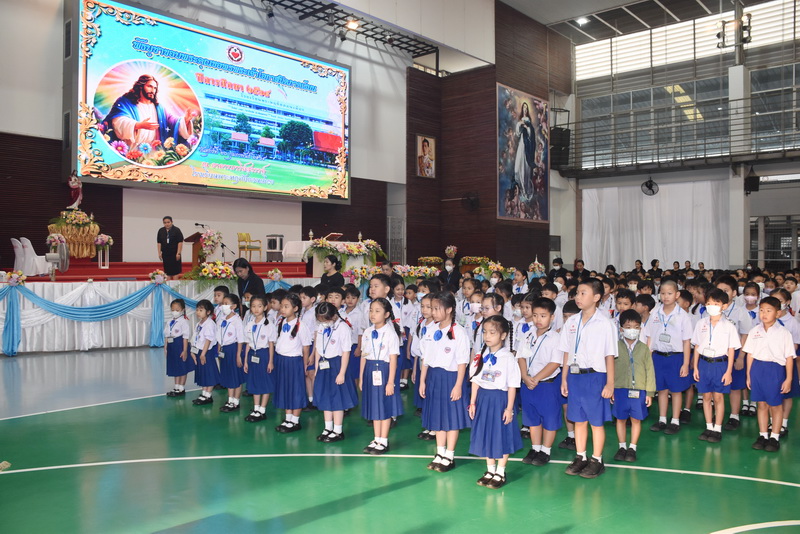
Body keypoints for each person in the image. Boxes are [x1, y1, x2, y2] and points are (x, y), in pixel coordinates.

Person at [559, 279, 617, 479]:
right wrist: (564, 378)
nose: (578, 296)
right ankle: (581, 456)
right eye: (577, 293)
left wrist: (610, 383)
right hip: (575, 377)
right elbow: (566, 352)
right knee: (578, 419)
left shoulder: (605, 324)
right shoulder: (571, 322)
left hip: (595, 377)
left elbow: (610, 355)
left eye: (583, 293)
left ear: (596, 297)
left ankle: (597, 460)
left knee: (596, 421)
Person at [469, 316, 522, 489]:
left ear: (503, 335)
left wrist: (509, 408)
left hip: (500, 400)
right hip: (483, 399)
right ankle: (490, 470)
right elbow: (475, 380)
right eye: (485, 332)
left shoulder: (508, 358)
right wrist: (472, 402)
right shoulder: (481, 354)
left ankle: (500, 471)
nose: (487, 336)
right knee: (486, 434)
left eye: (492, 332)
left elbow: (513, 385)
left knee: (501, 435)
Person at [419, 292, 470, 473]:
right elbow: (425, 358)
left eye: (436, 308)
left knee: (451, 418)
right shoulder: (431, 329)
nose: (433, 312)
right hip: (434, 376)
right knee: (437, 416)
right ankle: (440, 453)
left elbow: (462, 362)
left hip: (451, 378)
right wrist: (422, 380)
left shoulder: (459, 332)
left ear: (449, 309)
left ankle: (449, 455)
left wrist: (458, 385)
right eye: (432, 308)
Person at [744, 296, 795, 452]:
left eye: (768, 310)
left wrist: (788, 379)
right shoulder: (754, 331)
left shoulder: (784, 333)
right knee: (761, 404)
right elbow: (750, 354)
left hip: (775, 369)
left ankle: (774, 437)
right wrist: (748, 375)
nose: (764, 314)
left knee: (775, 405)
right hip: (757, 369)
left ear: (777, 313)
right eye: (761, 310)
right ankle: (763, 435)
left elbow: (789, 357)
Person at [691, 289, 740, 443]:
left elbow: (731, 350)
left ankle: (717, 428)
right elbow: (697, 345)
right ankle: (708, 426)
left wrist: (729, 371)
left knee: (718, 397)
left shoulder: (729, 326)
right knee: (706, 396)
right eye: (709, 303)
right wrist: (696, 367)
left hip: (720, 364)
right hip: (704, 363)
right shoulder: (701, 323)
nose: (711, 306)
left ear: (724, 306)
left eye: (716, 303)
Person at [518, 297, 562, 467]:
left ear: (552, 317)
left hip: (547, 385)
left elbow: (555, 363)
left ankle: (546, 450)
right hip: (528, 383)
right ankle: (535, 448)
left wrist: (536, 378)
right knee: (532, 418)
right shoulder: (527, 335)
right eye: (535, 315)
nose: (538, 319)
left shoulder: (556, 338)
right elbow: (521, 357)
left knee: (549, 418)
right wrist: (524, 376)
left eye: (543, 316)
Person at [646, 280, 693, 435]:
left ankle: (675, 420)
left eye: (670, 293)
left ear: (677, 294)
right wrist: (648, 358)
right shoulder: (655, 313)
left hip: (676, 357)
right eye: (663, 293)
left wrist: (685, 363)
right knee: (661, 389)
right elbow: (649, 337)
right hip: (658, 357)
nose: (666, 296)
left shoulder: (683, 315)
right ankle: (662, 419)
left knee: (676, 390)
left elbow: (686, 341)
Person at [102, 74, 197, 151]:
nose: (153, 90)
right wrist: (138, 125)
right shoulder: (125, 102)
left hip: (154, 152)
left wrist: (185, 121)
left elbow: (172, 122)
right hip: (132, 150)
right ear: (140, 86)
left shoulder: (159, 108)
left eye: (155, 88)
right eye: (150, 86)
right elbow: (118, 121)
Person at [360, 298, 404, 455]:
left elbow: (393, 360)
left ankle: (384, 440)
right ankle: (376, 438)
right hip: (370, 370)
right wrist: (361, 377)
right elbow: (364, 355)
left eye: (377, 311)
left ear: (386, 314)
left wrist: (390, 382)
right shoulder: (367, 332)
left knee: (384, 406)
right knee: (374, 405)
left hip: (384, 370)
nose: (373, 314)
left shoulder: (390, 333)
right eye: (371, 310)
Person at [613, 310, 655, 462]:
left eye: (636, 327)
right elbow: (610, 369)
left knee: (636, 419)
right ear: (621, 329)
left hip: (639, 390)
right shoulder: (615, 347)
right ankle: (622, 446)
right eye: (628, 327)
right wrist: (610, 387)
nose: (632, 330)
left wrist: (649, 392)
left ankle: (632, 448)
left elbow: (650, 370)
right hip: (619, 389)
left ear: (640, 329)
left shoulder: (644, 348)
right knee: (620, 419)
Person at [313, 302, 357, 443]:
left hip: (337, 365)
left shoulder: (343, 328)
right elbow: (318, 348)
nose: (322, 322)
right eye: (320, 319)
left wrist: (342, 373)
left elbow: (346, 351)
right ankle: (328, 428)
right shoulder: (321, 327)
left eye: (325, 319)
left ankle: (338, 430)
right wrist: (316, 368)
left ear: (333, 316)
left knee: (337, 399)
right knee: (325, 397)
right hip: (323, 364)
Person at [274, 293, 313, 433]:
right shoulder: (282, 322)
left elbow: (306, 347)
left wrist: (304, 365)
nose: (282, 309)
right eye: (282, 306)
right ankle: (288, 418)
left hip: (294, 362)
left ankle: (295, 421)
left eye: (286, 306)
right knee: (285, 390)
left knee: (295, 390)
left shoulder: (301, 325)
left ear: (295, 308)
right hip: (282, 360)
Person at [243, 295, 276, 422]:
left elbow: (271, 344)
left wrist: (270, 361)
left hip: (264, 355)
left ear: (265, 307)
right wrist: (245, 361)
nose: (256, 309)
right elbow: (248, 344)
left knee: (265, 382)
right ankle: (256, 408)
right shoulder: (249, 324)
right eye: (253, 306)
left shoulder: (269, 325)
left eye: (259, 306)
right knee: (254, 382)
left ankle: (262, 410)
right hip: (252, 354)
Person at [217, 294, 246, 413]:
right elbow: (219, 335)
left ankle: (236, 401)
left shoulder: (237, 320)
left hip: (233, 349)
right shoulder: (222, 318)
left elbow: (240, 339)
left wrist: (238, 355)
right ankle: (230, 400)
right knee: (228, 375)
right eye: (223, 303)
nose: (223, 306)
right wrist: (219, 348)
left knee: (235, 376)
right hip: (224, 349)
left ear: (233, 306)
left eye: (226, 304)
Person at [191, 300, 220, 406]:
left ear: (208, 312)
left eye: (201, 310)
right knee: (203, 374)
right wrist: (192, 351)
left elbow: (208, 340)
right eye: (197, 310)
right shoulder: (199, 324)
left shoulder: (209, 324)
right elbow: (195, 337)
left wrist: (203, 354)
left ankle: (208, 395)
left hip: (206, 352)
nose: (198, 312)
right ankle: (204, 394)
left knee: (209, 373)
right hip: (198, 351)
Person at [165, 298, 193, 397]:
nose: (174, 312)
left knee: (182, 367)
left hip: (180, 345)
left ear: (182, 310)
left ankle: (181, 387)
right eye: (172, 310)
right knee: (175, 366)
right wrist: (166, 347)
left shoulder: (184, 321)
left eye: (177, 310)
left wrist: (185, 350)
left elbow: (185, 337)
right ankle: (176, 386)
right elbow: (167, 335)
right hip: (171, 346)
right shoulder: (169, 321)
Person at [514, 102, 535, 202]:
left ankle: (525, 190)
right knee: (518, 167)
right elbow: (518, 133)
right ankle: (522, 188)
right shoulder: (520, 121)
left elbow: (531, 135)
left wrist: (527, 128)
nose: (525, 109)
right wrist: (520, 124)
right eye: (524, 108)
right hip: (522, 144)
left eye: (526, 108)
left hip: (527, 146)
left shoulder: (529, 123)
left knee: (525, 168)